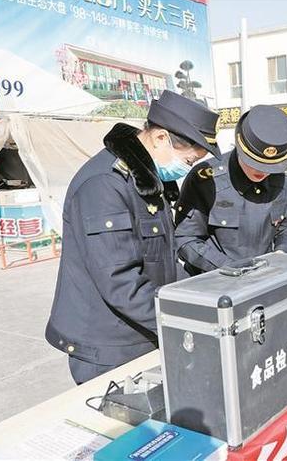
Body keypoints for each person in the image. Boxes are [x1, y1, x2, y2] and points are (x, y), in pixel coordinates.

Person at [45, 91, 219, 384]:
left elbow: (161, 257)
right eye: (188, 160)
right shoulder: (104, 185)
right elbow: (119, 281)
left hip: (142, 330)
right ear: (161, 138)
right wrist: (185, 318)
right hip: (109, 346)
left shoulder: (147, 179)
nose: (186, 168)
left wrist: (197, 293)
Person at [174, 105, 287, 275]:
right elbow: (185, 239)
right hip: (216, 280)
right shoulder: (206, 179)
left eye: (271, 166)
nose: (262, 171)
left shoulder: (284, 179)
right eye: (254, 163)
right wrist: (228, 266)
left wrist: (282, 253)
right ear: (241, 148)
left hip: (266, 277)